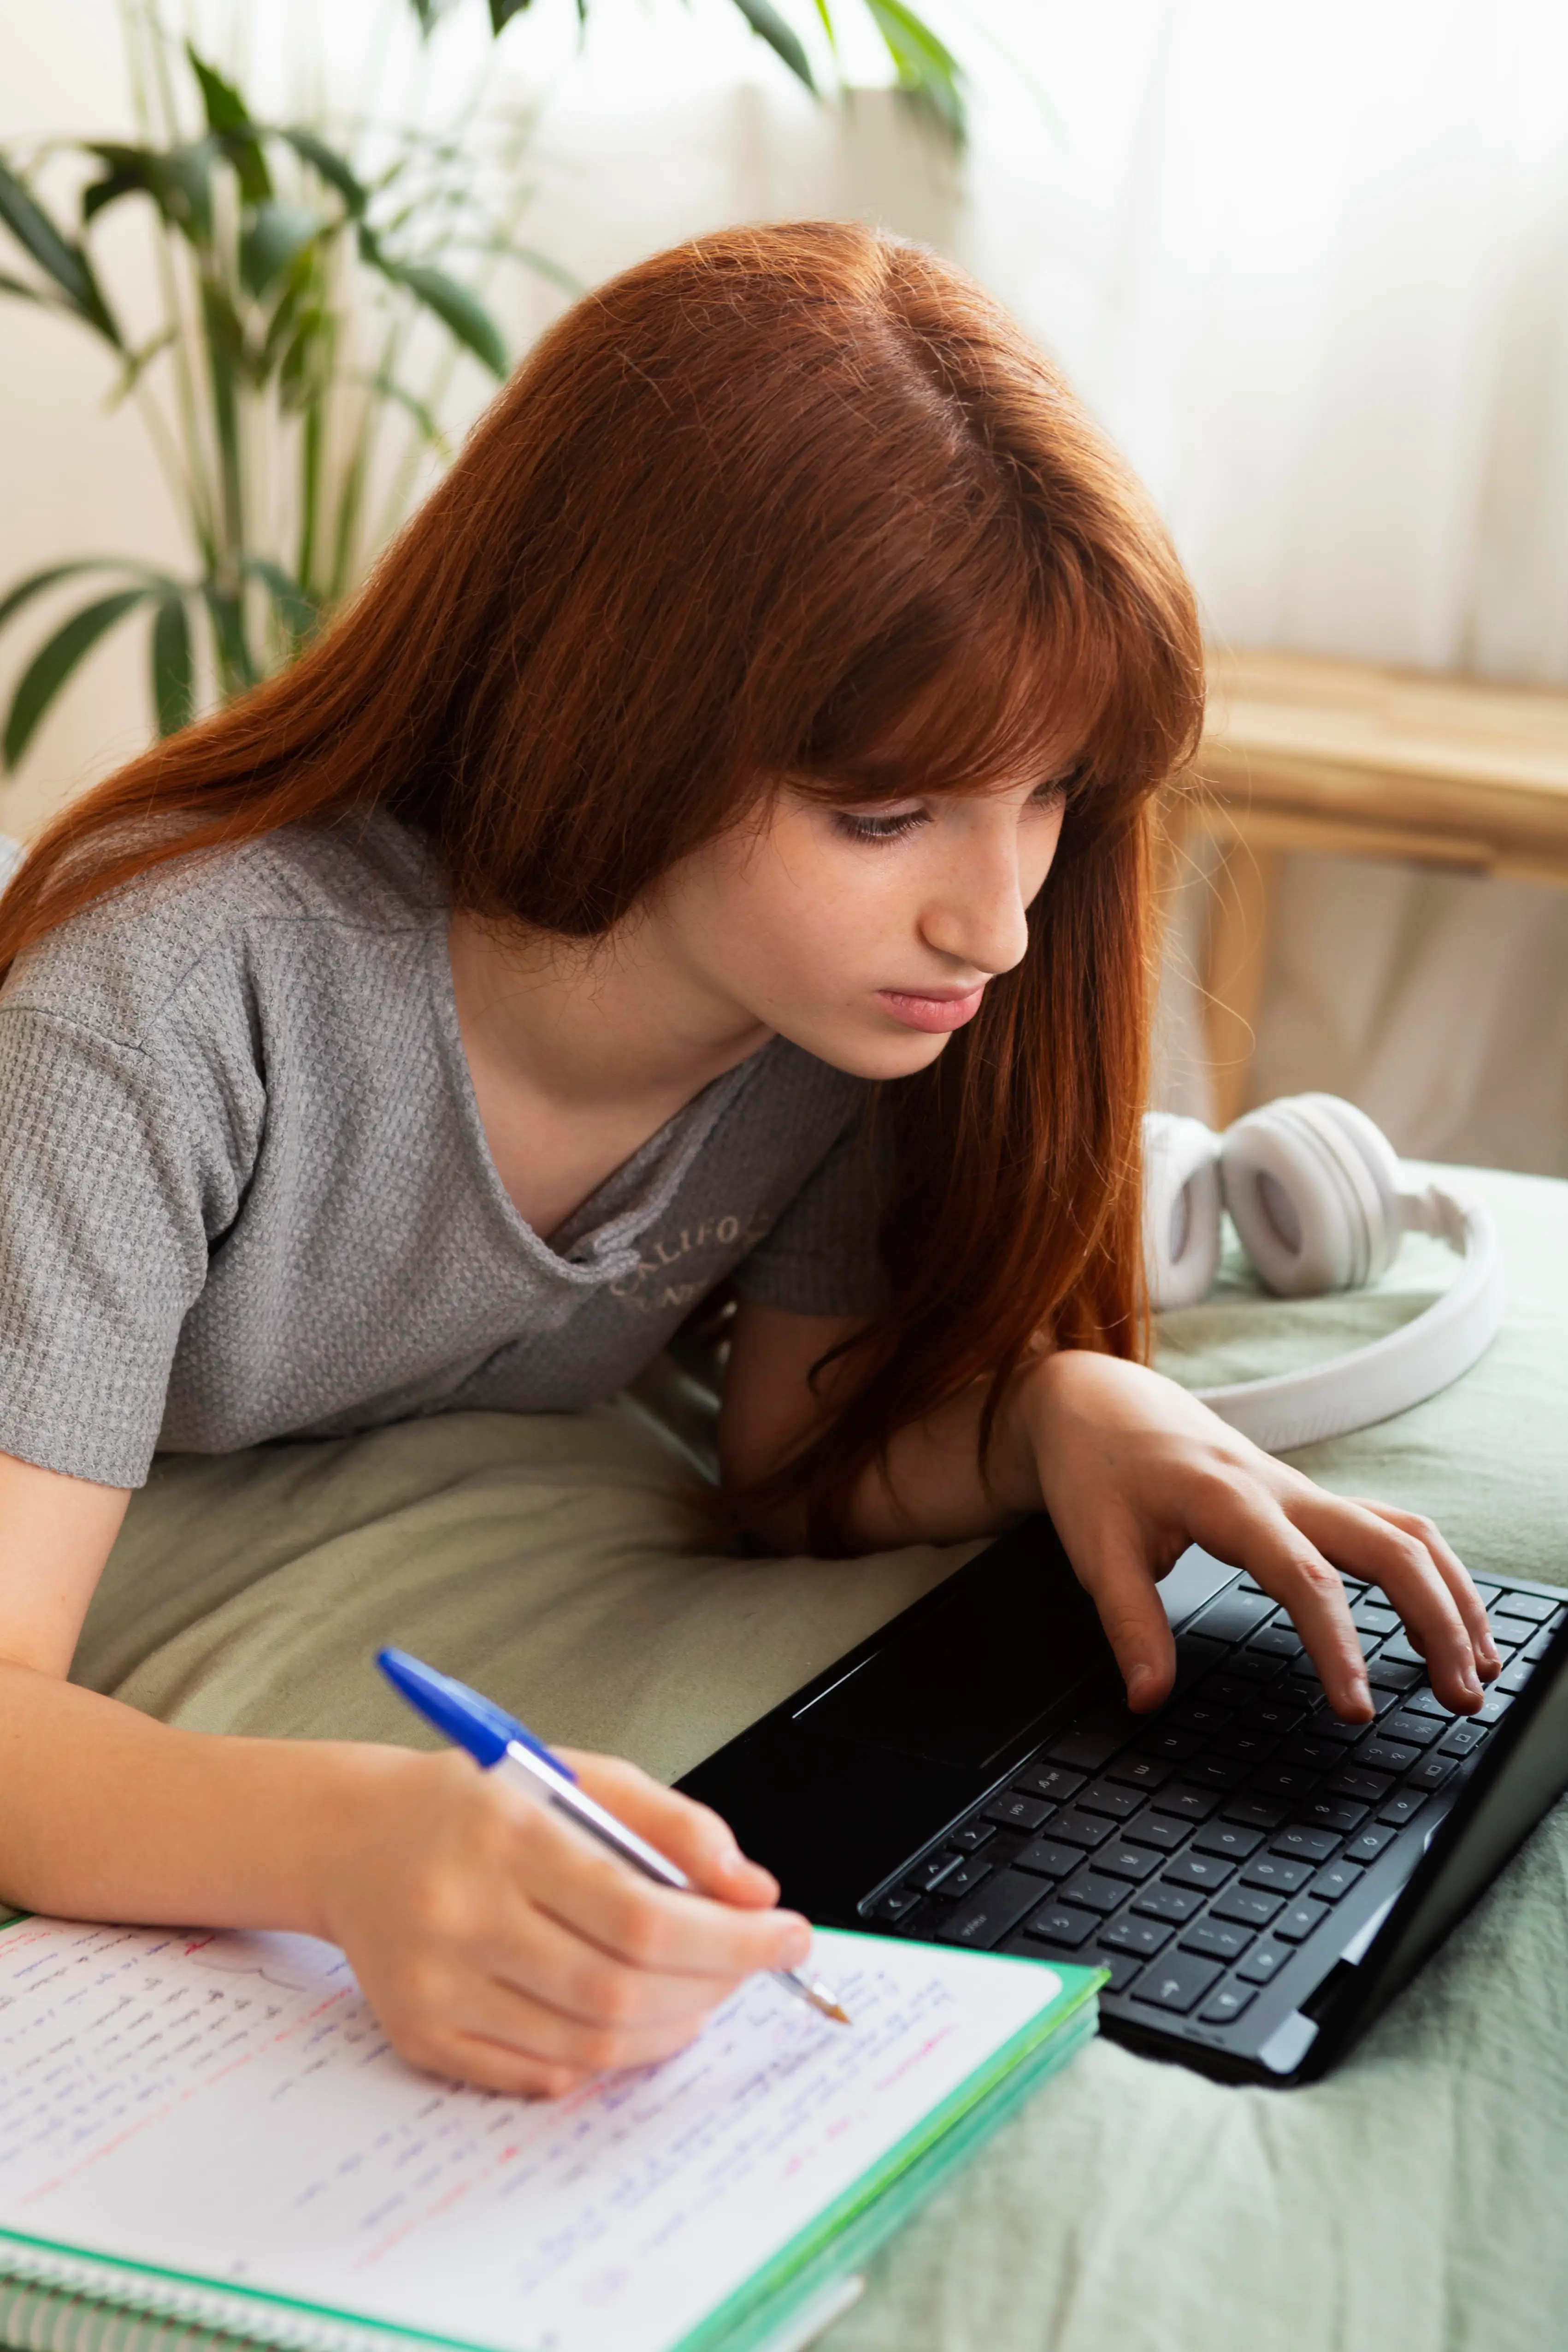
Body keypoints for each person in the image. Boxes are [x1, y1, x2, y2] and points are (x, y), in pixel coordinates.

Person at [0, 223, 1496, 2097]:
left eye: (1047, 796)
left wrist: (1057, 1416)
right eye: (885, 814)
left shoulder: (833, 1020)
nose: (1000, 925)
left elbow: (794, 1466)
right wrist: (344, 1843)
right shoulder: (162, 997)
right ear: (619, 704)